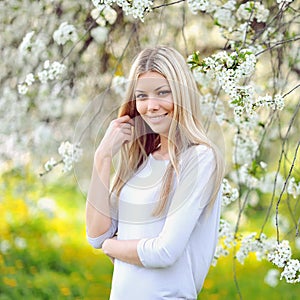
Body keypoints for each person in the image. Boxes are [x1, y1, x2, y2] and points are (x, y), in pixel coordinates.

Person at [86, 45, 225, 300]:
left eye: (163, 92)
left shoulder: (200, 158)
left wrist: (111, 246)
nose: (151, 106)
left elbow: (165, 252)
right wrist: (102, 156)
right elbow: (96, 235)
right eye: (142, 96)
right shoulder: (141, 162)